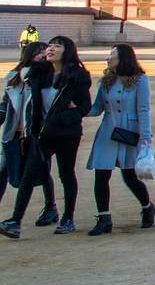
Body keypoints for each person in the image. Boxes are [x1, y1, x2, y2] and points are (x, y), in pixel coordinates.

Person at [2, 35, 92, 238]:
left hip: (67, 134)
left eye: (56, 46)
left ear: (67, 51)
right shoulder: (39, 73)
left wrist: (69, 115)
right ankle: (15, 221)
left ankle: (67, 218)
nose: (50, 48)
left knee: (66, 174)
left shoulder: (77, 76)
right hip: (41, 133)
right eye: (50, 45)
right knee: (28, 176)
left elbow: (85, 106)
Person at [84, 45, 155, 235]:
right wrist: (76, 110)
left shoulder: (140, 80)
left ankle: (147, 207)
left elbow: (143, 109)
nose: (108, 59)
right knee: (101, 174)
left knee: (130, 176)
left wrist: (146, 137)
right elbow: (97, 108)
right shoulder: (107, 80)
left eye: (112, 56)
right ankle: (104, 218)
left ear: (123, 59)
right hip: (108, 130)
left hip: (129, 131)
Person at [2, 43, 55, 224]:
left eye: (44, 52)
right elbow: (5, 105)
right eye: (38, 52)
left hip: (37, 134)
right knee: (3, 170)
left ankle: (51, 208)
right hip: (14, 133)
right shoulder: (14, 77)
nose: (42, 55)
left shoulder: (48, 77)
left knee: (42, 170)